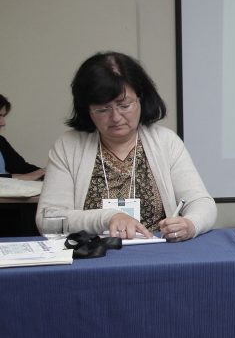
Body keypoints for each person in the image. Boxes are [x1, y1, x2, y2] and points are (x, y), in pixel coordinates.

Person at [36, 52, 216, 241]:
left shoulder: (165, 142)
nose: (115, 117)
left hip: (158, 255)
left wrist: (190, 224)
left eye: (124, 105)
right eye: (102, 109)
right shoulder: (69, 146)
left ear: (141, 99)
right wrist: (108, 217)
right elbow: (48, 220)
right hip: (92, 257)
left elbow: (202, 203)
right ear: (87, 110)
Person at [0, 94, 45, 181]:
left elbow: (20, 167)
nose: (3, 123)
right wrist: (16, 177)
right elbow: (24, 175)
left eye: (3, 116)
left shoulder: (1, 141)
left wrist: (47, 173)